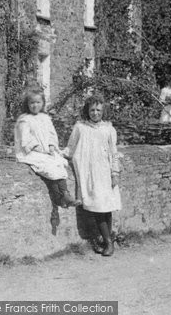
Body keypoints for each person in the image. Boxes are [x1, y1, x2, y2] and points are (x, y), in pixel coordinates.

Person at [64, 93, 121, 257]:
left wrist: (115, 172)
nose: (95, 113)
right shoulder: (80, 127)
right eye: (92, 110)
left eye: (98, 110)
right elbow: (70, 147)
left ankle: (106, 241)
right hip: (89, 173)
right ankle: (107, 241)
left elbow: (114, 152)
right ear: (87, 111)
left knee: (106, 207)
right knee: (96, 208)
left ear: (103, 111)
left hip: (105, 172)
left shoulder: (109, 129)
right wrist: (57, 154)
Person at [14, 85, 80, 222]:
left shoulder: (45, 118)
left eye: (38, 102)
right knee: (49, 167)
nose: (34, 105)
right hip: (31, 152)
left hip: (46, 151)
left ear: (42, 103)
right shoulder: (24, 120)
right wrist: (39, 148)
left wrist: (51, 145)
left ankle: (64, 195)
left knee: (59, 163)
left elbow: (51, 134)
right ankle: (61, 197)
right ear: (27, 104)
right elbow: (25, 140)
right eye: (31, 103)